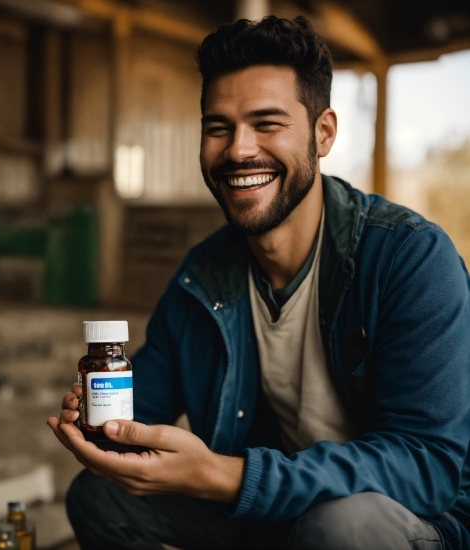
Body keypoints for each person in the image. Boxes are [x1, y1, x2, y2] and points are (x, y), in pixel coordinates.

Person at [47, 16, 470, 550]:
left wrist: (225, 476)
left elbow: (428, 466)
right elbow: (140, 411)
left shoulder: (408, 257)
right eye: (218, 127)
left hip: (410, 522)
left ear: (323, 134)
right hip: (271, 514)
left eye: (266, 124)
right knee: (98, 496)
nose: (238, 151)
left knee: (341, 526)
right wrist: (99, 423)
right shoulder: (202, 274)